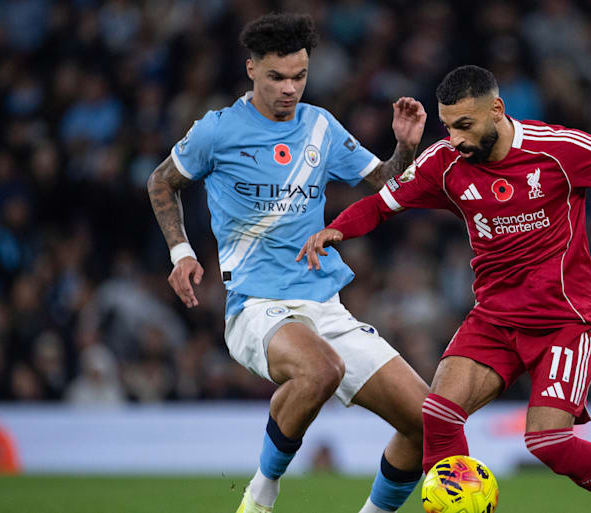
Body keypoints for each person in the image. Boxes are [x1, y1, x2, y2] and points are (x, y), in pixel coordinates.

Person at [299, 65, 591, 513]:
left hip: (566, 319)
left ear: (498, 110)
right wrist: (336, 229)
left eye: (464, 125)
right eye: (447, 128)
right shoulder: (444, 163)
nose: (455, 139)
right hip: (494, 318)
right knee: (438, 415)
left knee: (547, 441)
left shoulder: (559, 151)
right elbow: (381, 205)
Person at [146, 13, 429, 513]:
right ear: (251, 68)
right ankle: (260, 495)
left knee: (427, 423)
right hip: (256, 305)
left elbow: (386, 183)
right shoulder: (218, 130)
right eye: (277, 77)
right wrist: (182, 253)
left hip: (324, 302)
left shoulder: (321, 126)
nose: (290, 88)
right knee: (321, 370)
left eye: (299, 76)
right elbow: (161, 181)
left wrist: (405, 145)